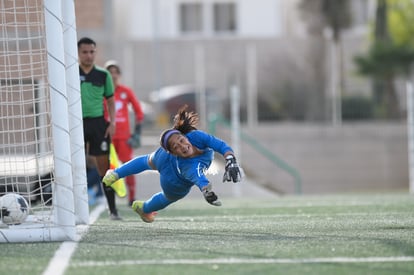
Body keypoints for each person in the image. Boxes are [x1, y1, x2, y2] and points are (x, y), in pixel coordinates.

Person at [103, 105, 243, 223]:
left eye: (181, 140)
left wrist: (231, 160)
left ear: (185, 136)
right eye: (176, 146)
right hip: (173, 180)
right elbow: (198, 177)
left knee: (146, 160)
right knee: (168, 197)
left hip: (167, 159)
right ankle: (144, 208)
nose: (182, 146)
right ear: (173, 152)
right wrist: (207, 191)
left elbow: (220, 145)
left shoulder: (196, 136)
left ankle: (115, 173)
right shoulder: (187, 165)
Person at [77, 37, 121, 220]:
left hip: (98, 124)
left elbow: (110, 100)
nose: (88, 55)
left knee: (104, 168)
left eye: (91, 52)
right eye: (85, 52)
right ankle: (70, 208)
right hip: (76, 123)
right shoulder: (69, 72)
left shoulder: (103, 75)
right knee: (73, 165)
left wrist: (112, 123)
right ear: (78, 53)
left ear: (95, 52)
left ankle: (113, 210)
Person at [104, 61, 145, 206]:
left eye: (115, 72)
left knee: (129, 166)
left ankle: (132, 196)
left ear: (119, 74)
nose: (113, 75)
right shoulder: (102, 91)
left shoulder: (125, 91)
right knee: (107, 167)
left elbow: (139, 112)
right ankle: (109, 197)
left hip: (123, 137)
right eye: (110, 72)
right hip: (107, 137)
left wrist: (137, 132)